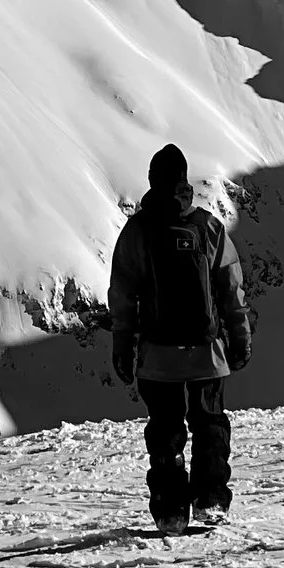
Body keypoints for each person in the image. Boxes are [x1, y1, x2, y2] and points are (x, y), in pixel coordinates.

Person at [107, 142, 250, 536]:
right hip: (206, 352)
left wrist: (123, 346)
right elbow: (230, 286)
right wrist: (239, 336)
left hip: (157, 356)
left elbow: (123, 295)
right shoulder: (206, 226)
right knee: (210, 424)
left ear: (152, 181)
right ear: (185, 182)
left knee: (166, 429)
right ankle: (211, 500)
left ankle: (171, 512)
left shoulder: (138, 231)